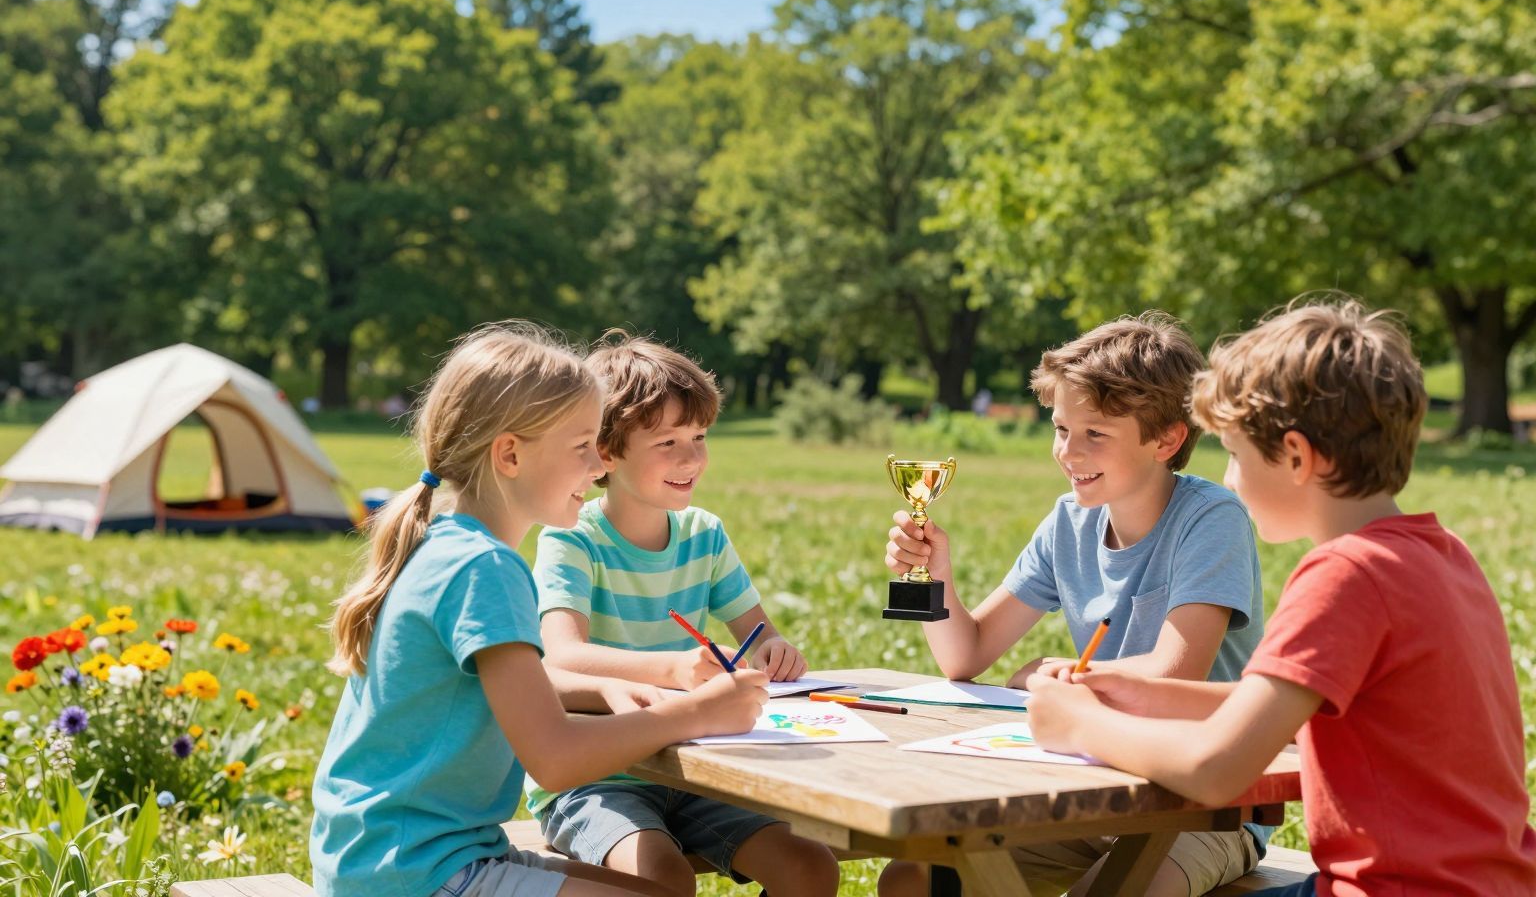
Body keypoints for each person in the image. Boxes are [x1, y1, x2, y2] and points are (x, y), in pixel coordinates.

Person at [1026, 299, 1536, 896]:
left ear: (1295, 456)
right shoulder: (1440, 555)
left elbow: (1214, 772)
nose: (1228, 481)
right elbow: (1272, 705)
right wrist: (1138, 691)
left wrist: (1080, 725)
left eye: (1236, 456)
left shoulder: (1344, 578)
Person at [310, 322, 769, 897]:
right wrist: (696, 714)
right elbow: (553, 759)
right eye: (582, 447)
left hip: (390, 854)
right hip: (413, 872)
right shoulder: (485, 569)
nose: (597, 468)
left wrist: (600, 692)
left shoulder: (445, 544)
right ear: (509, 455)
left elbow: (501, 687)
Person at [880, 313, 1268, 897]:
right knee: (911, 881)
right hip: (1096, 787)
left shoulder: (1211, 520)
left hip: (1206, 804)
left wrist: (1055, 676)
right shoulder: (1069, 521)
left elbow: (1175, 672)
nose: (1068, 451)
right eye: (1061, 428)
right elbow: (966, 656)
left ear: (1166, 439)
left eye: (1095, 434)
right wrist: (932, 579)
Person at [529, 331, 839, 897]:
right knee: (664, 880)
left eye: (698, 436)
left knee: (811, 869)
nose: (692, 456)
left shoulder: (704, 534)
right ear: (605, 453)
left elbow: (760, 635)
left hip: (698, 768)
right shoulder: (571, 539)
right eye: (667, 442)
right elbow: (563, 655)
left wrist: (774, 651)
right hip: (596, 776)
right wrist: (674, 670)